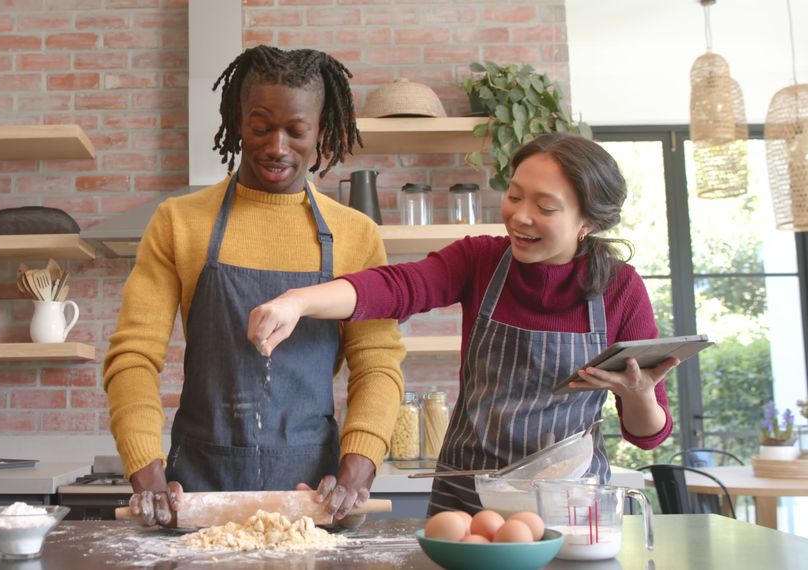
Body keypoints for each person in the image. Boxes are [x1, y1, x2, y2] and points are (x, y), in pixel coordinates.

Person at [248, 132, 676, 514]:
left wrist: (639, 394)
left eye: (544, 206)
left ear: (588, 222)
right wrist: (298, 302)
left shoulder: (620, 289)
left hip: (566, 507)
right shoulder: (481, 261)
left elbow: (647, 435)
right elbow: (398, 286)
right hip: (468, 500)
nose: (520, 216)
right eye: (515, 195)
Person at [104, 45, 405, 527]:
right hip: (197, 490)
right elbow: (134, 356)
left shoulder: (356, 235)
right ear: (238, 121)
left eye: (297, 130)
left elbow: (377, 365)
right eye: (261, 127)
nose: (277, 147)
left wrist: (356, 472)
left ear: (322, 129)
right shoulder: (180, 223)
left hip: (314, 497)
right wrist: (146, 472)